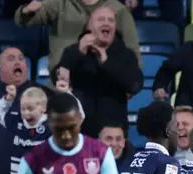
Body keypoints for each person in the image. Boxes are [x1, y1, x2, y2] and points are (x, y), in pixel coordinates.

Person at [52, 6, 143, 138]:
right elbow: (57, 78)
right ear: (90, 26)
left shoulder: (125, 55)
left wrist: (106, 63)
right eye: (101, 19)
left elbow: (135, 85)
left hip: (113, 133)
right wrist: (78, 53)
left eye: (111, 20)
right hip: (80, 132)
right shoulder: (73, 51)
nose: (106, 23)